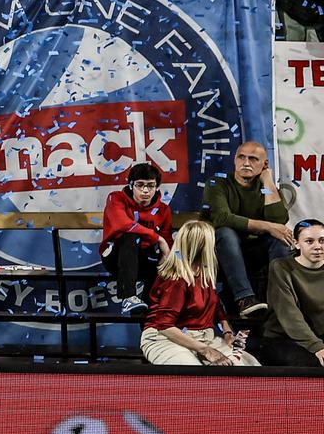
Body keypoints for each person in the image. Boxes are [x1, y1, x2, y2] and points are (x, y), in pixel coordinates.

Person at [141, 220, 260, 367]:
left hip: (204, 338)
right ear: (201, 247)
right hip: (165, 338)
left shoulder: (204, 273)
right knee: (193, 373)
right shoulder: (176, 279)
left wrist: (227, 332)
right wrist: (206, 351)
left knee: (246, 366)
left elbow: (215, 306)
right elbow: (165, 327)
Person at [202, 141, 291, 319]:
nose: (246, 163)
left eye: (253, 159)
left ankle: (280, 299)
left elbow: (279, 221)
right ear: (234, 160)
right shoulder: (217, 182)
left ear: (264, 164)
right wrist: (266, 226)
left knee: (280, 239)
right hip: (221, 254)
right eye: (241, 157)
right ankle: (245, 299)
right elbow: (222, 218)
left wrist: (267, 181)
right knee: (226, 232)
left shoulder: (265, 188)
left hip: (255, 252)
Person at [100, 161, 172, 310]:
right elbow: (123, 224)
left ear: (157, 187)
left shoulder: (163, 209)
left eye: (150, 185)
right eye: (140, 185)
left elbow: (168, 239)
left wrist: (167, 259)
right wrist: (158, 238)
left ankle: (147, 325)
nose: (145, 190)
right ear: (131, 185)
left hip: (145, 258)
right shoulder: (116, 198)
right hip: (116, 257)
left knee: (162, 268)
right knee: (130, 236)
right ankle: (128, 297)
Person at [260, 219, 324, 367]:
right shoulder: (281, 267)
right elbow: (289, 314)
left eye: (322, 240)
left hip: (318, 337)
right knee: (313, 363)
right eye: (309, 241)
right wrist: (317, 347)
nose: (318, 247)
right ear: (296, 243)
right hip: (283, 339)